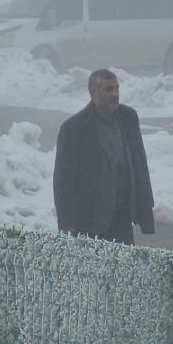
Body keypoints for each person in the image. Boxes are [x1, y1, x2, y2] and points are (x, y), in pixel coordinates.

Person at [53, 69, 154, 244]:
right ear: (93, 93)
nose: (115, 94)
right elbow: (63, 179)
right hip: (90, 220)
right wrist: (67, 222)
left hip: (122, 215)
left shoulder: (128, 118)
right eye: (108, 89)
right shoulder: (74, 128)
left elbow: (139, 163)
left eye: (117, 88)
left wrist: (144, 205)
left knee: (124, 267)